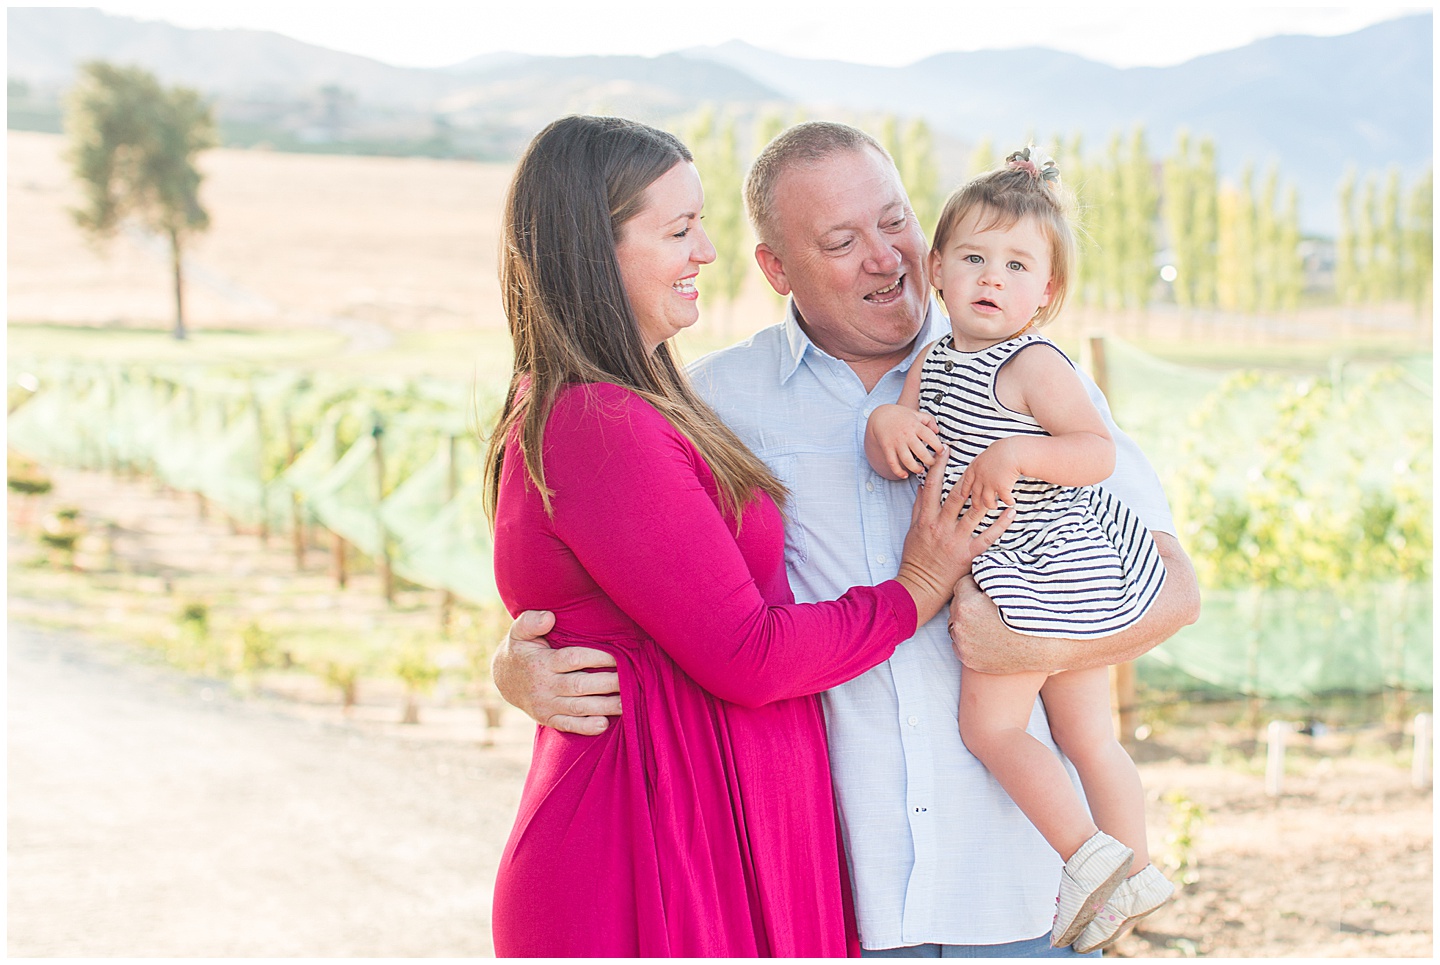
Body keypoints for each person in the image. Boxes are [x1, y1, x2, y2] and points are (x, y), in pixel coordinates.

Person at [492, 121, 1202, 957]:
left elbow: (1176, 593)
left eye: (896, 220)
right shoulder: (715, 400)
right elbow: (625, 569)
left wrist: (1025, 641)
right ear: (776, 268)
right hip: (829, 895)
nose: (886, 256)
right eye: (841, 240)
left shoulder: (1031, 377)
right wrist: (520, 661)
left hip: (1012, 885)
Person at [864, 147, 1175, 953]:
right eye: (972, 257)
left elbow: (1095, 452)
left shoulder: (1033, 361)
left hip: (1042, 567)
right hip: (1035, 571)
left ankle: (1092, 857)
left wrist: (1016, 455)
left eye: (1016, 264)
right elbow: (898, 436)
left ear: (1048, 291)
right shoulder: (931, 363)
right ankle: (1133, 872)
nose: (990, 277)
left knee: (993, 729)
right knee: (1083, 735)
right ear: (935, 269)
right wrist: (886, 424)